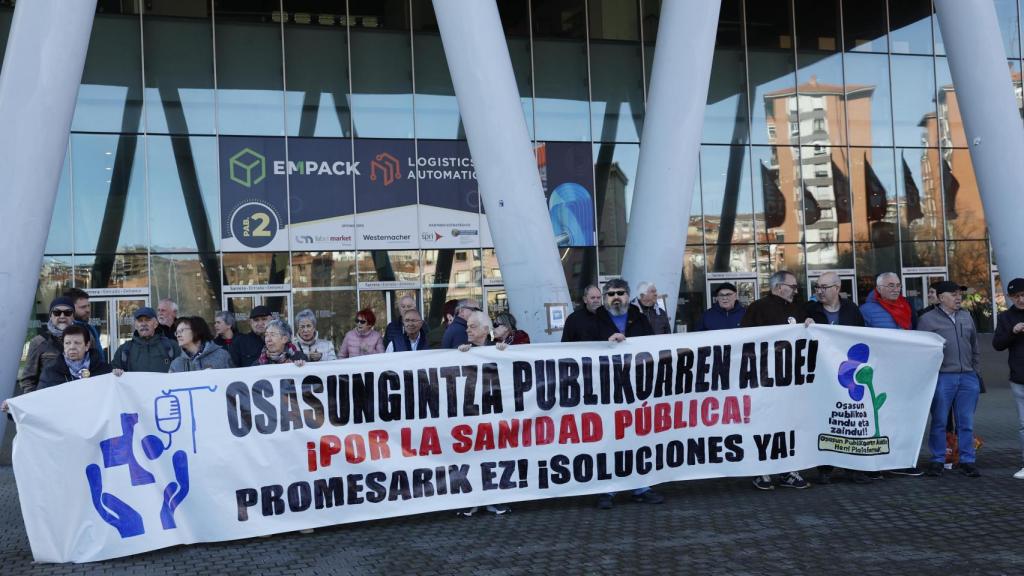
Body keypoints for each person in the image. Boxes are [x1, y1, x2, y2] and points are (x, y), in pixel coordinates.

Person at [569, 279, 660, 508]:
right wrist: (605, 345)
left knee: (637, 438)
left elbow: (653, 349)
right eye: (610, 294)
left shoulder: (640, 319)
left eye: (620, 293)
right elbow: (576, 351)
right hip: (603, 391)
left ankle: (642, 487)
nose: (615, 297)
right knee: (606, 440)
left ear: (628, 296)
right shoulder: (591, 320)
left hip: (635, 391)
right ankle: (607, 490)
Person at [741, 271, 812, 490]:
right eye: (792, 286)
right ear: (779, 286)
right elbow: (744, 341)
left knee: (789, 423)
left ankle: (789, 469)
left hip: (791, 378)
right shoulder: (758, 308)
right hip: (764, 378)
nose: (795, 290)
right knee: (764, 423)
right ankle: (761, 470)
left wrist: (810, 326)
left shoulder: (797, 309)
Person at [857, 272, 926, 478]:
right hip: (880, 374)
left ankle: (902, 460)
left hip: (904, 373)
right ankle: (875, 462)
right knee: (879, 419)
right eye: (890, 285)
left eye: (898, 285)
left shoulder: (906, 307)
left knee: (903, 418)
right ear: (878, 288)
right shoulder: (867, 310)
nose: (896, 289)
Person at [805, 272, 868, 485]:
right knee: (826, 419)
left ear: (837, 288)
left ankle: (852, 466)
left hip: (848, 376)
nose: (819, 291)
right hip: (821, 376)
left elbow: (863, 337)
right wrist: (804, 326)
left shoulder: (851, 309)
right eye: (817, 287)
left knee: (849, 419)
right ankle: (825, 468)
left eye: (824, 287)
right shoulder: (809, 310)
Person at [917, 281, 982, 478]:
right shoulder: (927, 320)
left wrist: (975, 372)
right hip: (943, 377)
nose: (958, 297)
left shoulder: (966, 316)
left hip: (968, 377)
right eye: (953, 294)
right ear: (940, 297)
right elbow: (922, 351)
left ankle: (967, 460)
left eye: (959, 294)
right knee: (939, 421)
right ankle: (937, 460)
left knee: (966, 422)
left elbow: (975, 346)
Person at [456, 310, 510, 516]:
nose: (468, 330)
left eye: (472, 326)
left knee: (493, 458)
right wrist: (457, 354)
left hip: (494, 415)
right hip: (470, 415)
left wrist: (506, 353)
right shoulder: (461, 351)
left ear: (486, 330)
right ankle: (472, 500)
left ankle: (493, 500)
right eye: (467, 326)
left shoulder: (499, 350)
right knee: (472, 457)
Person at [993, 277, 1024, 479]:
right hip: (1019, 378)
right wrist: (1013, 332)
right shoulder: (1006, 318)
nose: (1021, 299)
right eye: (1016, 296)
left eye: (1023, 295)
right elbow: (997, 344)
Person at [18, 296, 77, 393]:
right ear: (50, 316)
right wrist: (33, 402)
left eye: (67, 312)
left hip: (79, 398)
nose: (62, 316)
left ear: (73, 316)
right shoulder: (38, 342)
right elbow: (28, 380)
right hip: (48, 401)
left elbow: (95, 369)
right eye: (57, 312)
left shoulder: (86, 338)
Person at [38, 324, 112, 389]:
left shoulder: (105, 371)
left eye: (77, 343)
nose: (72, 347)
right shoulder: (50, 373)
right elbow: (42, 399)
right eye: (67, 343)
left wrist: (118, 375)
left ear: (87, 345)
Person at [111, 307, 180, 375]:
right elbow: (112, 375)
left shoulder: (171, 346)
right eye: (140, 320)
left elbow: (182, 371)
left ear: (156, 324)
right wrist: (116, 372)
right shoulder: (124, 350)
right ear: (135, 325)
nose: (143, 324)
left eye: (147, 320)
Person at [169, 316, 234, 372]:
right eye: (177, 332)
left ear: (197, 330)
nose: (178, 335)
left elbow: (231, 382)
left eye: (182, 330)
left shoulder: (221, 356)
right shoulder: (176, 364)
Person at [63, 287, 104, 358]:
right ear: (70, 308)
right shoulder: (65, 329)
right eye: (83, 307)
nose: (88, 310)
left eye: (88, 306)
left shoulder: (90, 327)